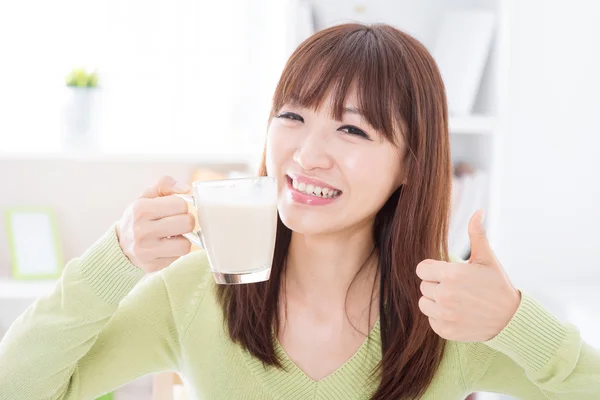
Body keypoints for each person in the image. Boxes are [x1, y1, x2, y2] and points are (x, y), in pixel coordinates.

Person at [0, 23, 598, 400]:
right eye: (292, 116)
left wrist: (515, 322)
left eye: (352, 130)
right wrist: (114, 263)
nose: (307, 155)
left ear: (412, 164)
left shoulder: (450, 316)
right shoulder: (194, 293)